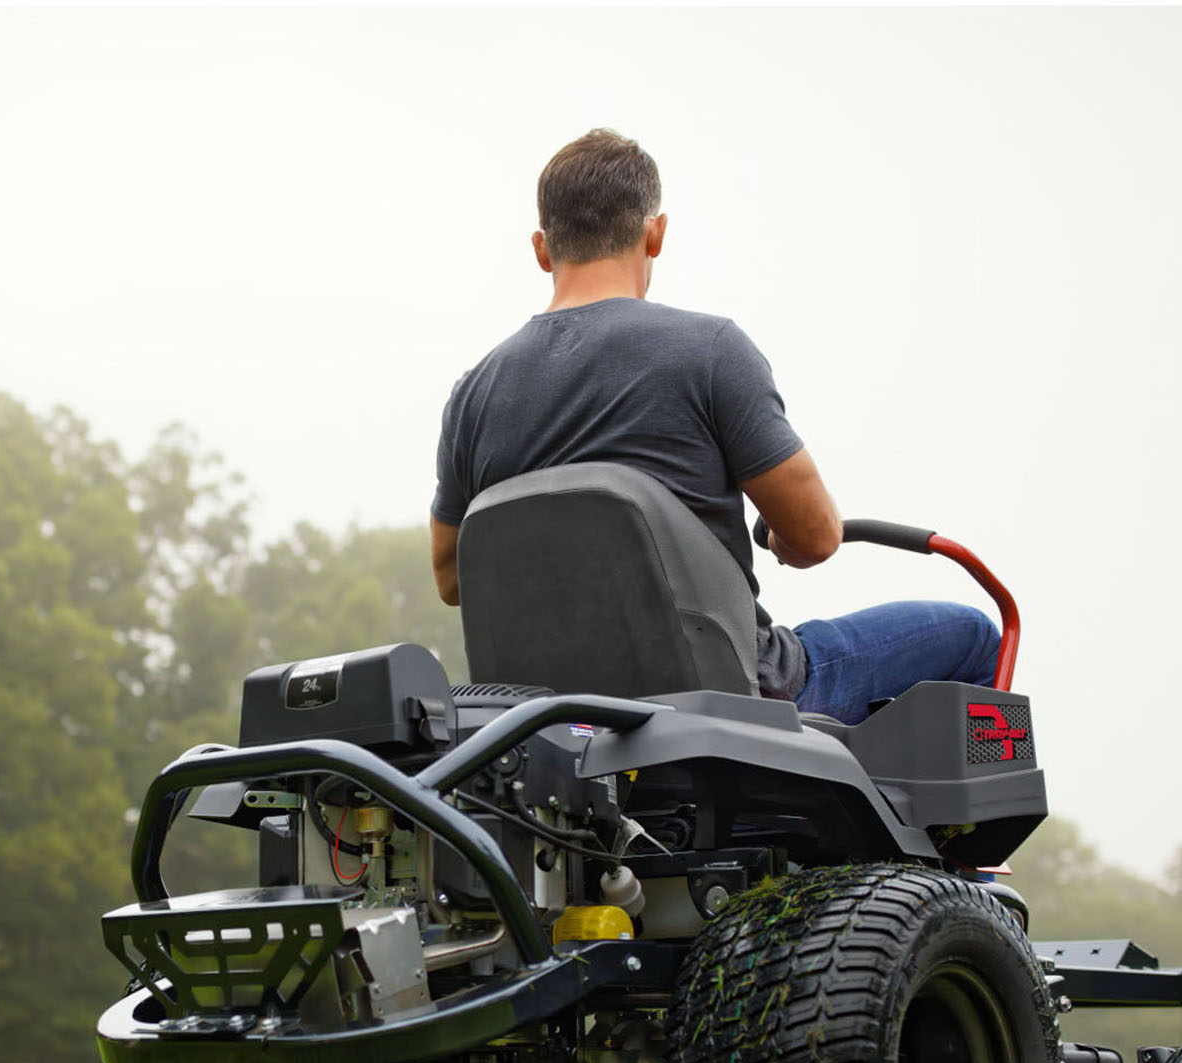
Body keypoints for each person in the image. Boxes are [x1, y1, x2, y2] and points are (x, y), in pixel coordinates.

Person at [428, 128, 999, 725]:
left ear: (543, 249)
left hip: (548, 726)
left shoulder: (473, 394)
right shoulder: (710, 351)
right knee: (975, 634)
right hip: (731, 703)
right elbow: (816, 537)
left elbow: (451, 576)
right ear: (656, 233)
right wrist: (781, 540)